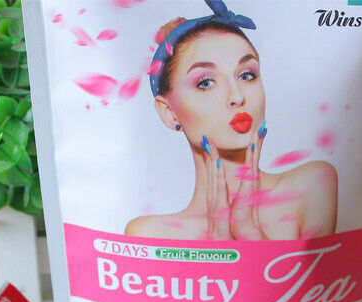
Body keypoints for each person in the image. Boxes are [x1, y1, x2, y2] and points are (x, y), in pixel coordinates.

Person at [126, 0, 338, 241]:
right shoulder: (152, 234)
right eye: (206, 82)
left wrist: (249, 233)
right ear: (169, 112)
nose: (237, 96)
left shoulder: (310, 187)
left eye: (247, 75)